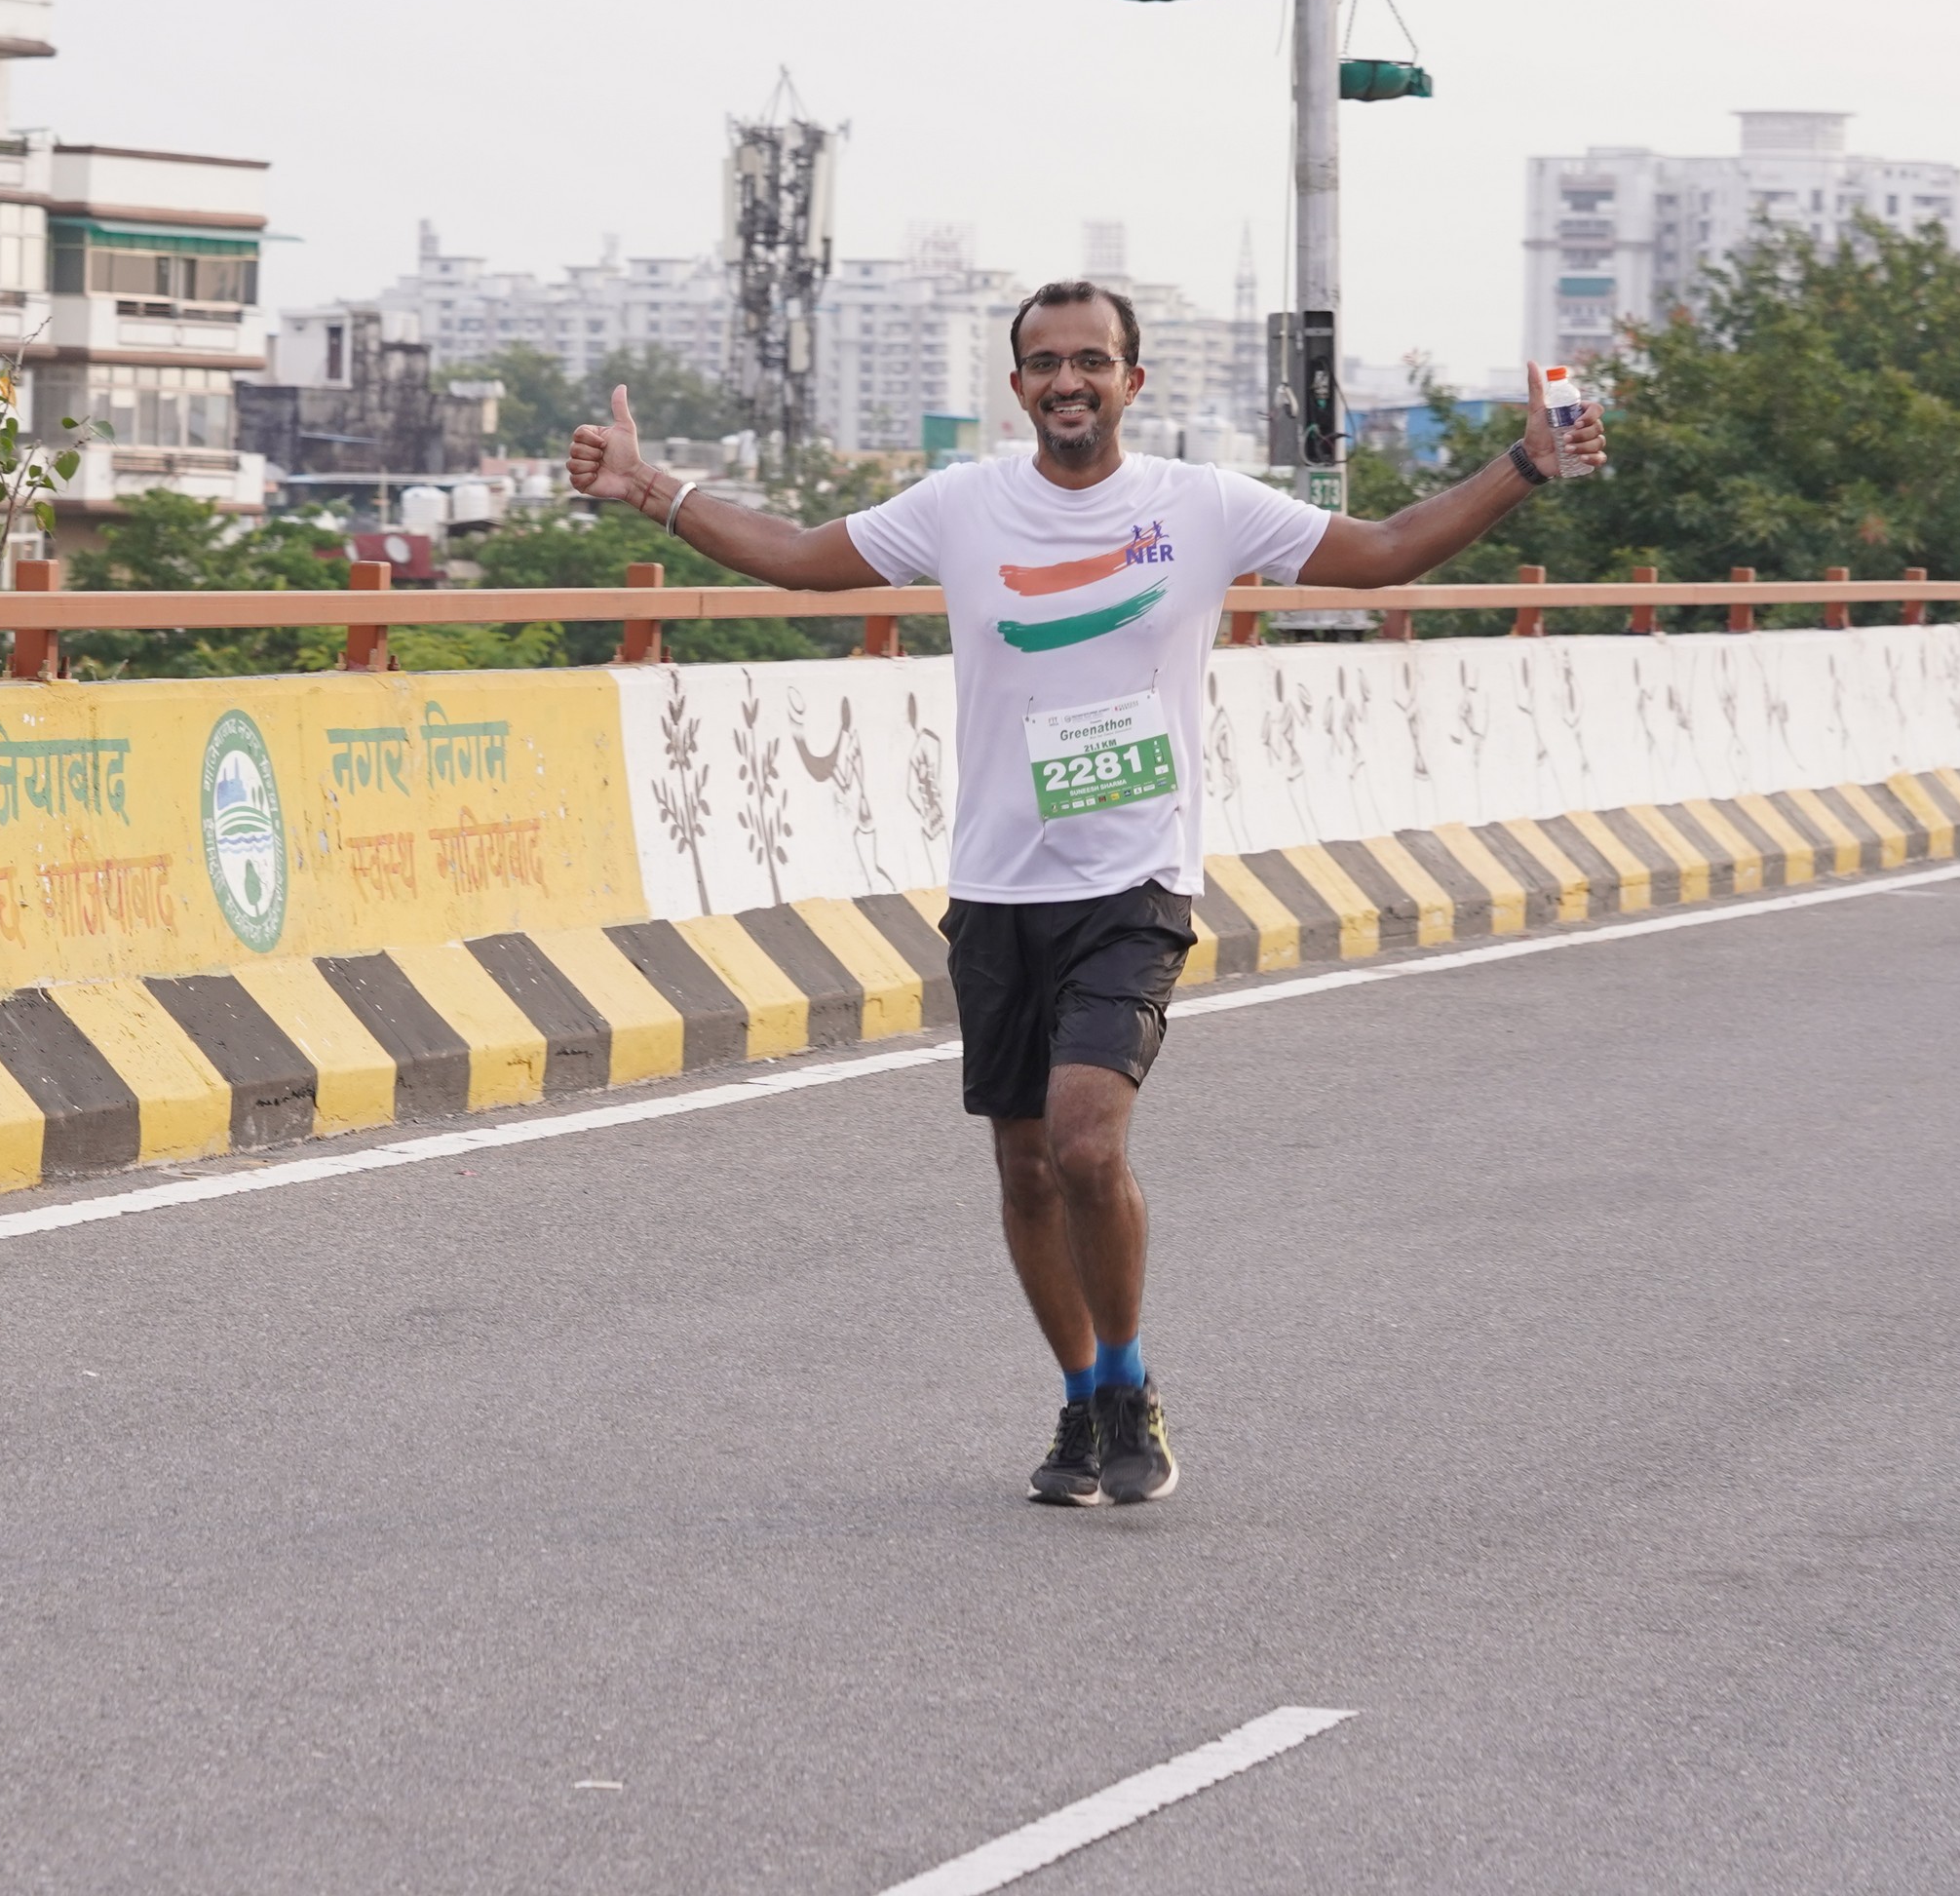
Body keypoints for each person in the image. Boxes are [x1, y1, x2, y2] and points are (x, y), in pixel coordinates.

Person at [565, 281, 1608, 1506]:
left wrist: (1524, 467)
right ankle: (1077, 1397)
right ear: (1018, 386)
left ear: (1132, 381)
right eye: (1046, 362)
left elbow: (1381, 555)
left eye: (1093, 361)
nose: (1069, 380)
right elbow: (798, 562)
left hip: (1133, 880)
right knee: (1023, 1167)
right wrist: (648, 488)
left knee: (1083, 1141)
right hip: (997, 885)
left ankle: (1127, 1381)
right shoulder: (963, 505)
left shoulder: (1200, 505)